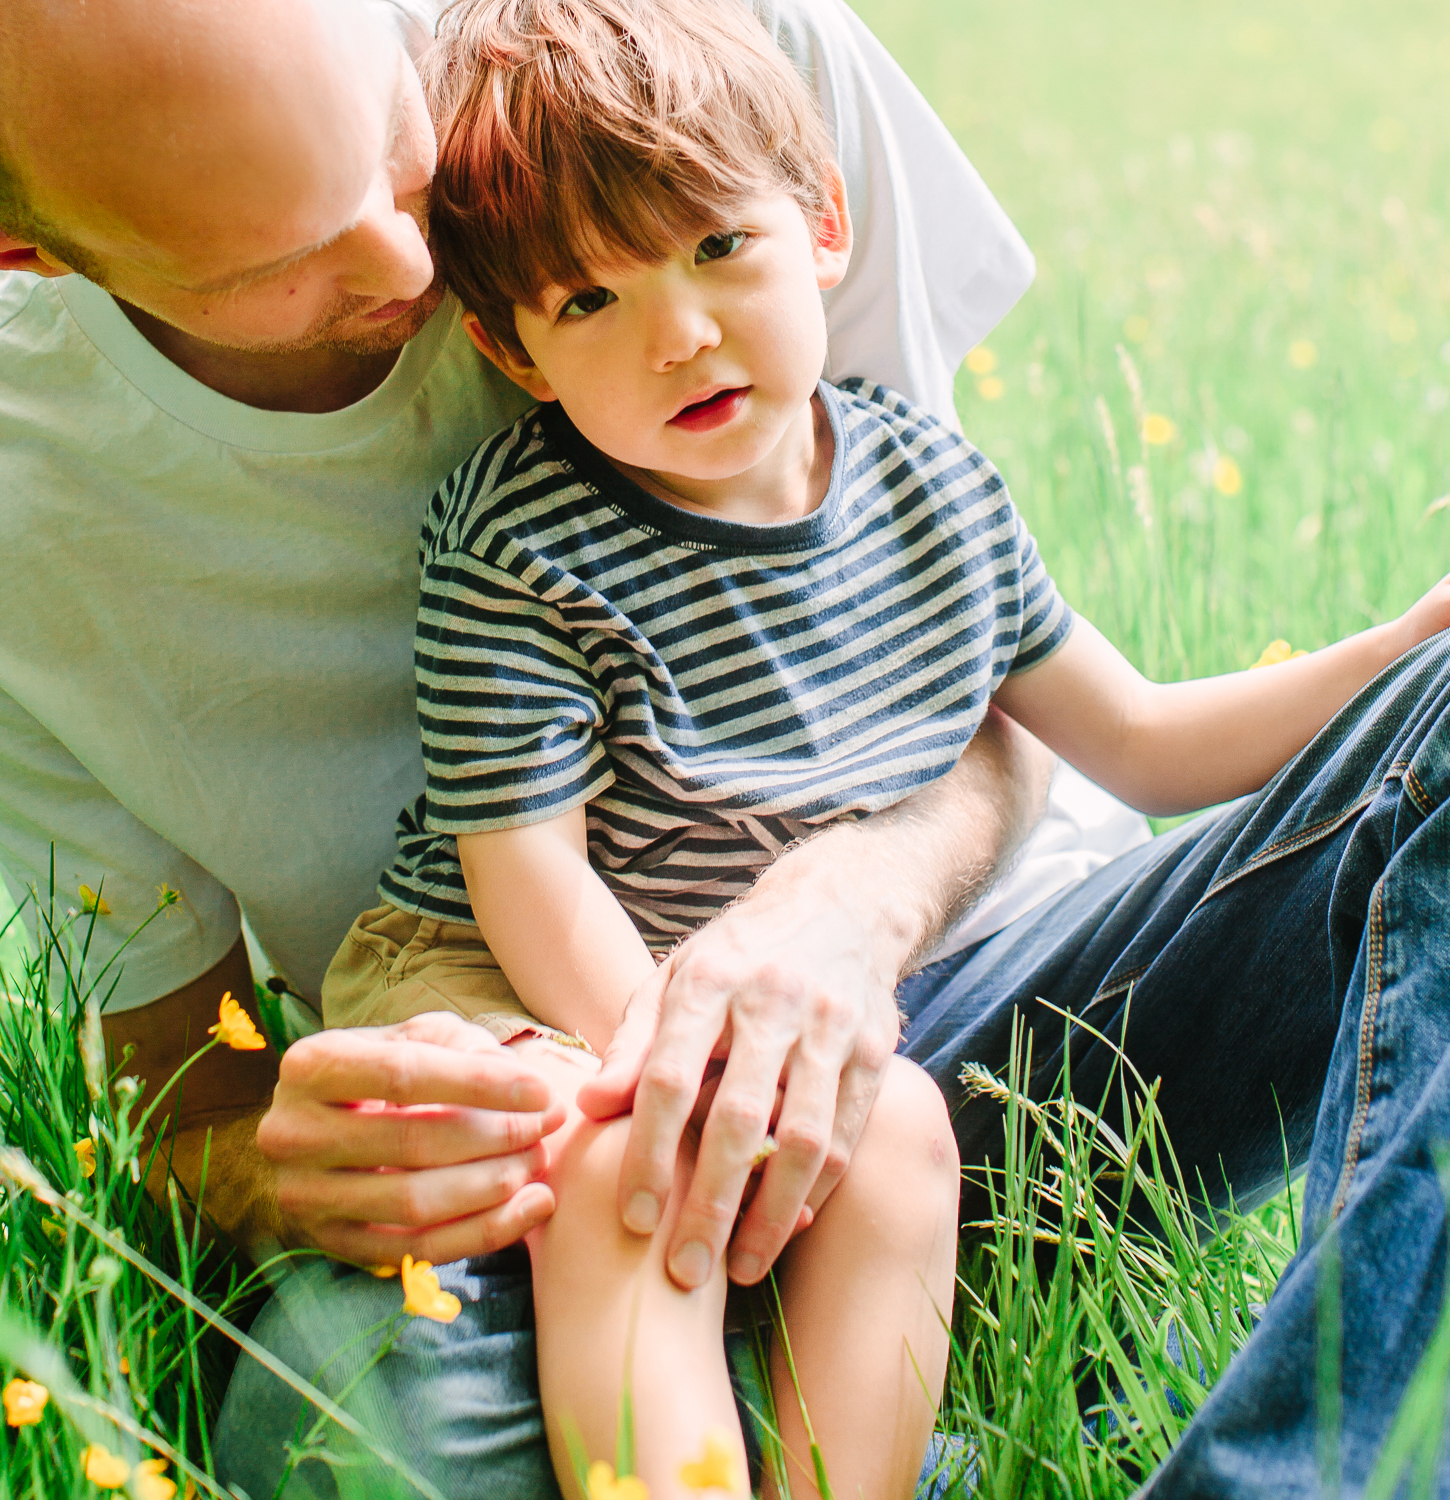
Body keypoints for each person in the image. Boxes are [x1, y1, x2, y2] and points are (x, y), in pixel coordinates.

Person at [0, 0, 1116, 1491]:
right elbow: (181, 1096)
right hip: (549, 1113)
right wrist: (271, 1163)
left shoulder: (682, 54)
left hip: (991, 974)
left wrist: (845, 913)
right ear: (32, 254)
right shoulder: (28, 507)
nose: (414, 268)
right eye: (274, 267)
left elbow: (986, 675)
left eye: (397, 151)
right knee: (350, 1435)